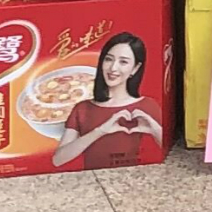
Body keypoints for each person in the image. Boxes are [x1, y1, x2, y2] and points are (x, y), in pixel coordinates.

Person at [49, 33, 162, 170]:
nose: (113, 68)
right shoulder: (83, 108)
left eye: (123, 62)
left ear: (135, 68)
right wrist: (100, 131)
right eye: (108, 59)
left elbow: (169, 154)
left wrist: (154, 129)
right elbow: (58, 160)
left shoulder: (147, 105)